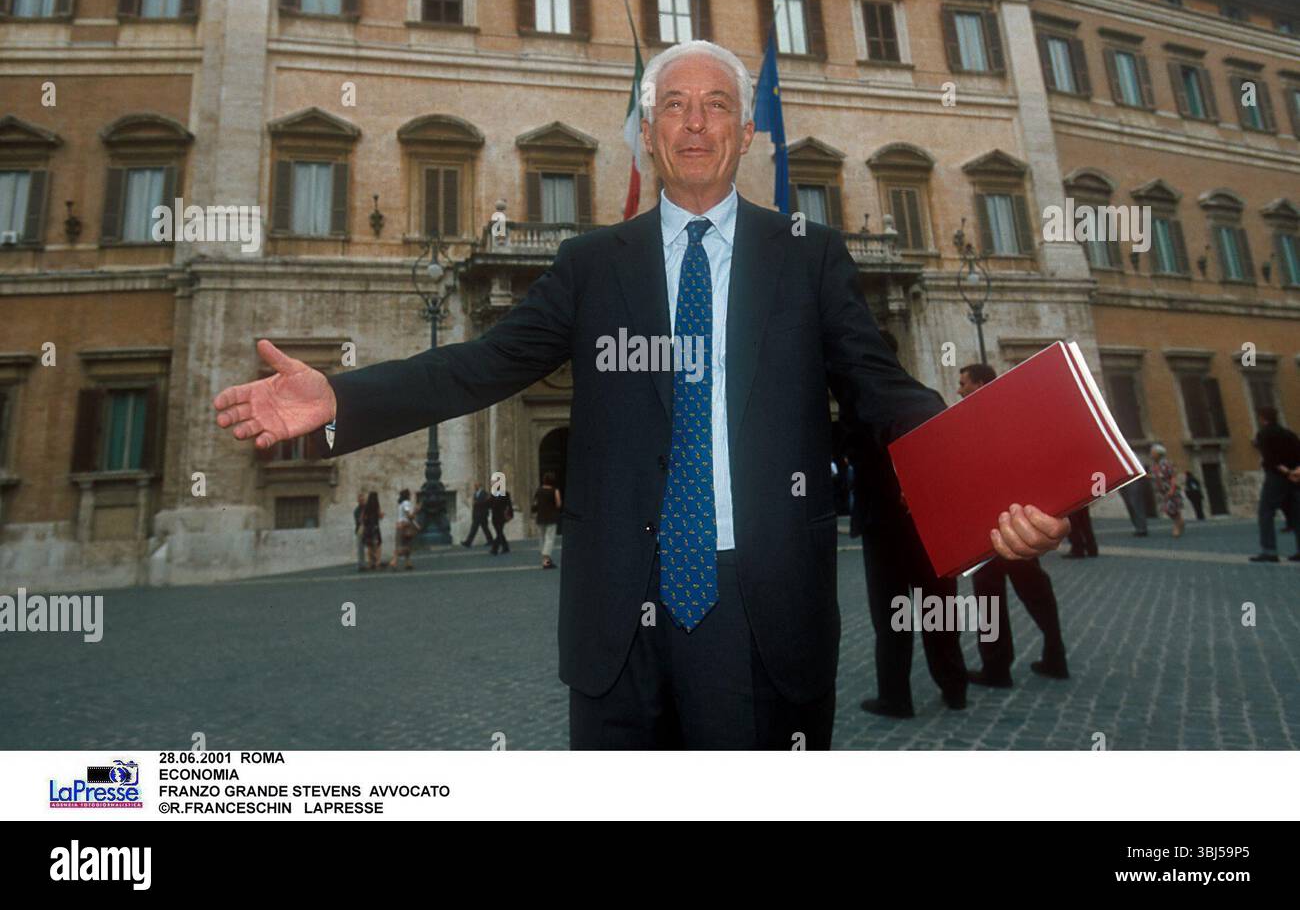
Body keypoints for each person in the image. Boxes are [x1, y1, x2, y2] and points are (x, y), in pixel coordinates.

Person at [213, 39, 1068, 749]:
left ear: (745, 134)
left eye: (718, 104)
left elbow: (885, 392)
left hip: (762, 610)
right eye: (674, 106)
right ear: (650, 136)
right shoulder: (592, 265)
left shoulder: (809, 258)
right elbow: (482, 364)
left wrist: (992, 471)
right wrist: (341, 398)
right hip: (620, 612)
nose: (695, 121)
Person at [848, 329, 967, 717]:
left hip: (884, 528)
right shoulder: (924, 394)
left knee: (891, 617)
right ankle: (955, 687)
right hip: (929, 525)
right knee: (939, 609)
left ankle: (895, 697)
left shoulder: (861, 400)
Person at [958, 363, 1070, 685]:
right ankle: (1054, 654)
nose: (959, 389)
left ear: (980, 384)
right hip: (1014, 521)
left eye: (963, 382)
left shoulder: (979, 420)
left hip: (994, 527)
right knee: (1033, 589)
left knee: (992, 597)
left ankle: (998, 668)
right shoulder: (1009, 415)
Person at [1248, 407, 1300, 563]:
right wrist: (1296, 472)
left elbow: (1271, 459)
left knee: (1266, 512)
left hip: (1276, 478)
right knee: (1297, 514)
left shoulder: (1264, 434)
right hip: (1295, 479)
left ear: (1262, 418)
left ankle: (1270, 551)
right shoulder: (1289, 434)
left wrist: (1286, 472)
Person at [1148, 444, 1185, 539]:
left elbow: (1173, 476)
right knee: (1168, 510)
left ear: (1158, 454)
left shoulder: (1166, 464)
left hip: (1170, 490)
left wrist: (1172, 489)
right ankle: (1180, 522)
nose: (1151, 454)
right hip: (1162, 492)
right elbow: (1156, 476)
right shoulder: (1154, 465)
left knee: (1173, 509)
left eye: (1153, 452)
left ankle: (1177, 527)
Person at [532, 472, 562, 569]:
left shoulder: (538, 490)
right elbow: (558, 504)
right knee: (549, 539)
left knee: (542, 538)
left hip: (540, 517)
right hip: (551, 517)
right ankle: (546, 561)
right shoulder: (555, 490)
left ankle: (545, 559)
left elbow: (535, 503)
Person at [389, 488, 416, 570]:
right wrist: (415, 511)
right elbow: (409, 515)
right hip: (405, 526)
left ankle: (408, 562)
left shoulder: (400, 504)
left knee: (403, 544)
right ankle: (394, 560)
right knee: (405, 545)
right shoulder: (406, 503)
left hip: (400, 525)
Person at [461, 482, 492, 547]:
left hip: (483, 514)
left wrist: (477, 503)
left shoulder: (484, 493)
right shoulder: (475, 494)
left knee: (483, 528)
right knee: (476, 529)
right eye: (475, 486)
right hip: (477, 515)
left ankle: (490, 541)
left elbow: (485, 503)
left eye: (476, 486)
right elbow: (474, 505)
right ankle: (468, 542)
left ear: (479, 486)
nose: (475, 487)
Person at [360, 491, 383, 570]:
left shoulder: (366, 507)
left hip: (368, 529)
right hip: (375, 528)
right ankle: (377, 563)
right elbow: (380, 516)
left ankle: (370, 563)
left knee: (369, 546)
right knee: (378, 545)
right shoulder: (377, 506)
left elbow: (362, 518)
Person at [489, 486, 513, 555]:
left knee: (499, 533)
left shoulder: (505, 493)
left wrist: (510, 515)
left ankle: (494, 548)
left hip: (501, 516)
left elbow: (509, 505)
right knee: (499, 532)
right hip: (494, 516)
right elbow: (490, 504)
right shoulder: (493, 494)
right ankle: (506, 547)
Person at [352, 491, 366, 570]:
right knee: (360, 547)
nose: (362, 500)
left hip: (368, 528)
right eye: (360, 499)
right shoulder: (357, 510)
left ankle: (373, 562)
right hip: (360, 529)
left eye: (363, 499)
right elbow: (359, 521)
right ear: (358, 500)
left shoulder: (367, 508)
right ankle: (361, 564)